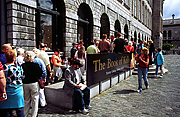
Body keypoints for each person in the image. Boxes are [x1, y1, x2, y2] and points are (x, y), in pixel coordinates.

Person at [0, 49, 25, 117]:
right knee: (20, 111)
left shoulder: (3, 68)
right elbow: (22, 77)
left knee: (6, 112)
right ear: (14, 58)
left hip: (7, 91)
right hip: (17, 91)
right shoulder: (19, 68)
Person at [22, 51, 42, 117]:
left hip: (25, 83)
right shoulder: (35, 65)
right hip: (34, 83)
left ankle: (25, 114)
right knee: (35, 100)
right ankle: (34, 115)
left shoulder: (23, 65)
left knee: (26, 100)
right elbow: (40, 74)